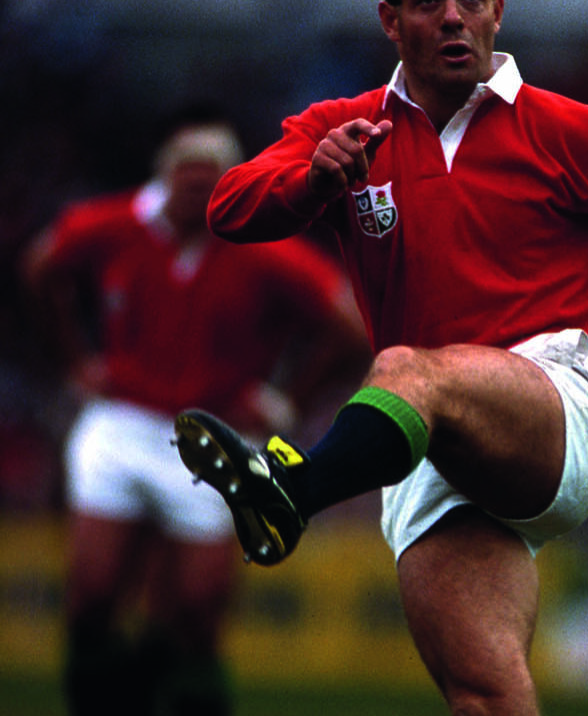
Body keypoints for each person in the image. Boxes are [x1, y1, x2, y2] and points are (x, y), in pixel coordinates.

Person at [173, 1, 588, 713]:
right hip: (425, 441)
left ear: (497, 14)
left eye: (472, 1)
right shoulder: (343, 127)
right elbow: (228, 209)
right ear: (391, 20)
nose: (453, 17)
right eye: (427, 3)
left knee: (406, 368)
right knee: (483, 695)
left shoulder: (579, 131)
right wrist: (314, 182)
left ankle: (294, 492)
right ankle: (293, 492)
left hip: (555, 404)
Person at [22, 106, 369, 715]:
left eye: (212, 178)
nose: (198, 189)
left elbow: (347, 324)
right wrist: (76, 359)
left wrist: (287, 398)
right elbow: (42, 266)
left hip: (216, 435)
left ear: (230, 182)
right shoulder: (118, 224)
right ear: (165, 177)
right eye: (188, 175)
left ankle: (168, 690)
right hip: (124, 420)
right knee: (94, 593)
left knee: (198, 611)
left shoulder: (261, 247)